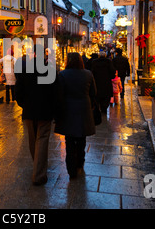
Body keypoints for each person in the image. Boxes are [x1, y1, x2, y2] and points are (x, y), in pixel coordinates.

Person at [15, 43, 60, 186]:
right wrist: (54, 110)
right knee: (42, 140)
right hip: (45, 111)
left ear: (32, 54)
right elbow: (56, 94)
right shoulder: (50, 70)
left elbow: (18, 93)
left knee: (33, 139)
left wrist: (24, 104)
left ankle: (37, 166)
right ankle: (39, 174)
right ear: (44, 55)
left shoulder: (24, 70)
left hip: (29, 111)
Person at [55, 53, 97, 178]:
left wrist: (58, 113)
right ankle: (80, 162)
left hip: (68, 110)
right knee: (81, 138)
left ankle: (71, 169)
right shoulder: (88, 74)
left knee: (69, 140)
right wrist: (92, 106)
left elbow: (59, 95)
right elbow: (93, 93)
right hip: (84, 109)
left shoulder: (62, 74)